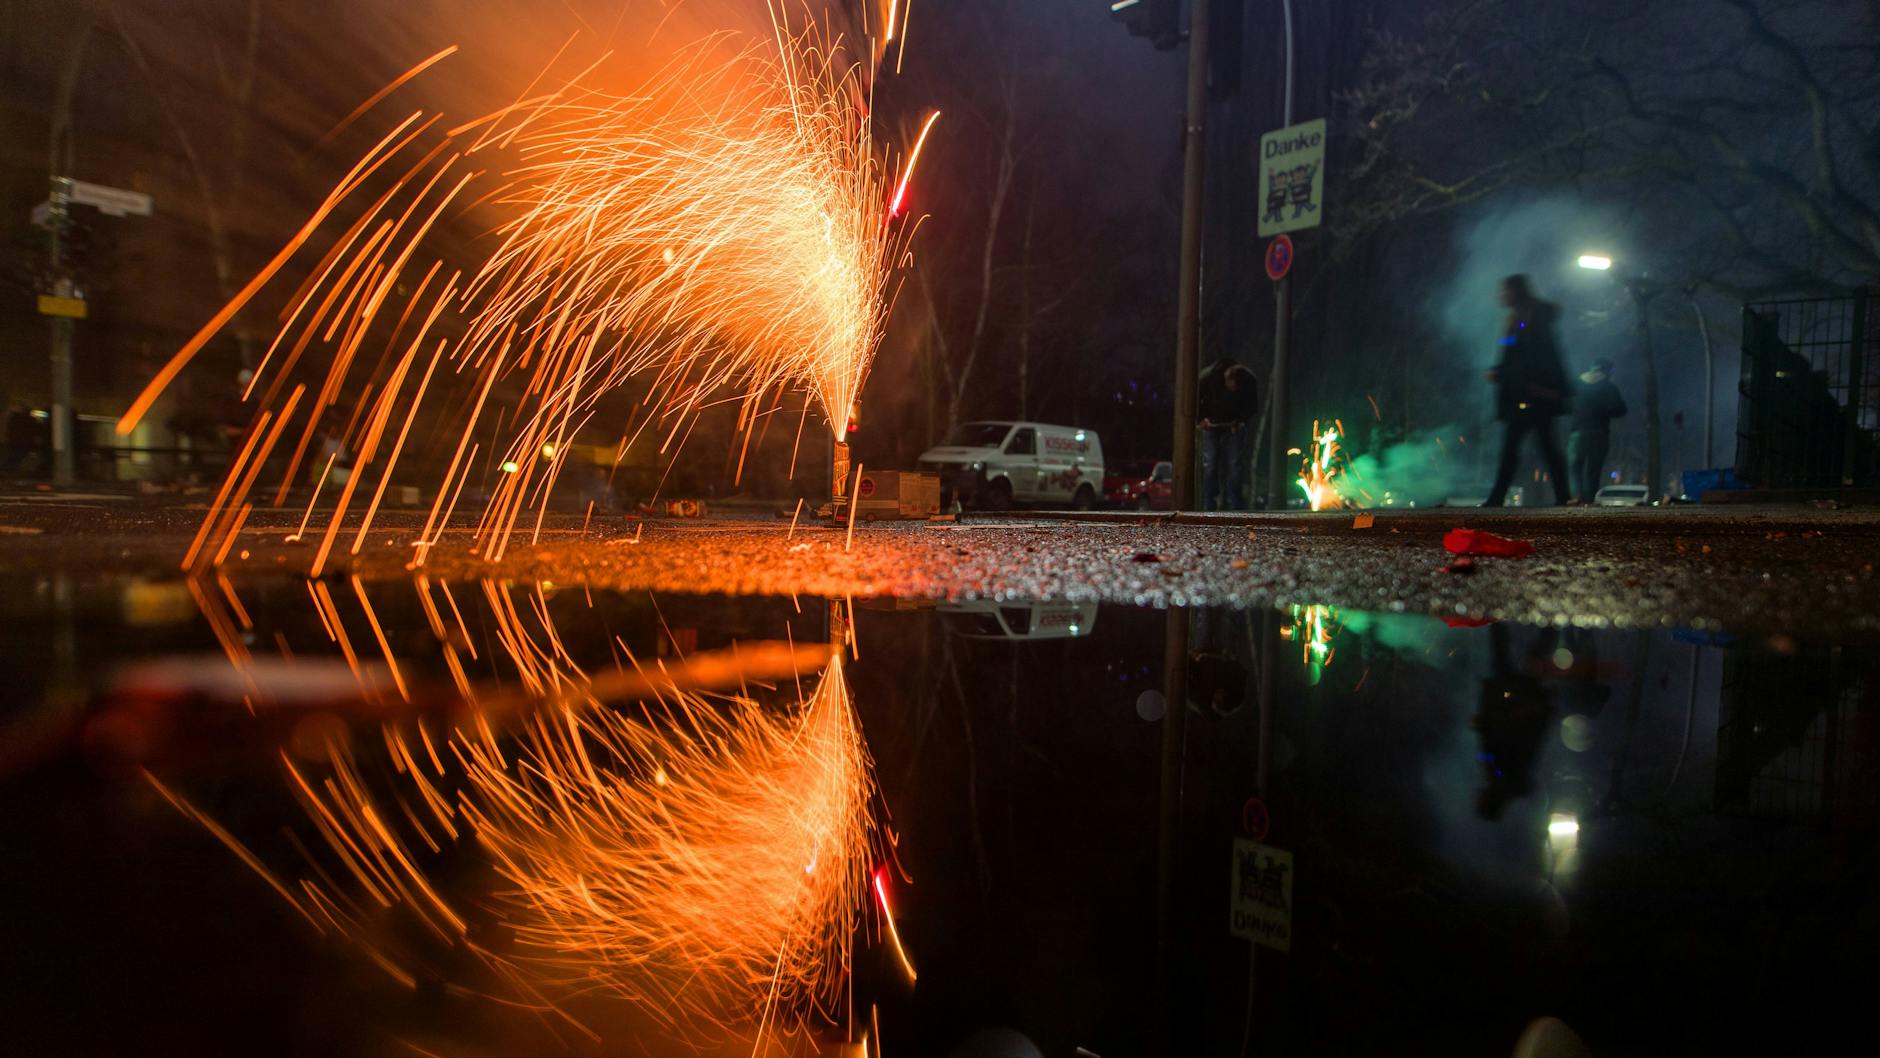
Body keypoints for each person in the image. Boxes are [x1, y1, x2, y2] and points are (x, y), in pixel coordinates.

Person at [1484, 275, 1571, 507]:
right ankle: (1563, 496)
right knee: (1543, 447)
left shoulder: (1527, 318)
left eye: (1504, 291)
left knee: (1516, 447)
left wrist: (1501, 373)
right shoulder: (1525, 316)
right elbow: (1517, 353)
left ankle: (1497, 497)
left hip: (1531, 394)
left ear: (1515, 292)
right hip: (1533, 393)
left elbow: (1526, 354)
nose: (1500, 296)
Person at [1198, 359, 1258, 510]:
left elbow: (1252, 406)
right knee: (1211, 464)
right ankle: (1209, 503)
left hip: (1234, 425)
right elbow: (1195, 398)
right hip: (1211, 423)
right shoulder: (1208, 378)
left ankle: (1234, 504)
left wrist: (1241, 420)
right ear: (1226, 378)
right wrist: (1201, 419)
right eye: (1232, 386)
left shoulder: (1248, 381)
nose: (1234, 390)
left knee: (1234, 465)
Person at [1567, 357, 1627, 504]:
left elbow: (1566, 404)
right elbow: (1621, 410)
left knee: (1575, 466)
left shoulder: (1577, 384)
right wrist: (1606, 410)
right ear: (1607, 370)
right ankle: (1588, 500)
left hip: (1578, 431)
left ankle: (1577, 495)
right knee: (1594, 469)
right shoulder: (1609, 387)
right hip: (1600, 432)